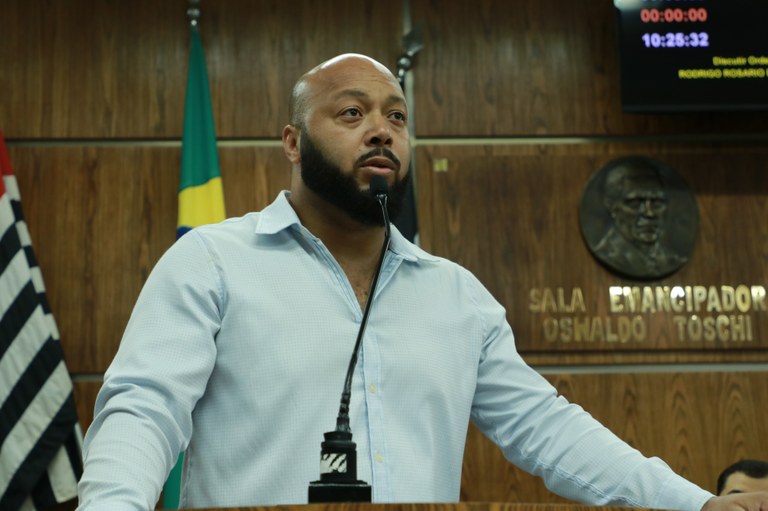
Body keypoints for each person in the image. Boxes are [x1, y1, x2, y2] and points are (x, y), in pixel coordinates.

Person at [75, 54, 768, 511]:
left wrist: (695, 503)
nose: (381, 131)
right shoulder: (212, 262)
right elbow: (144, 409)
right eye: (352, 113)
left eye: (396, 117)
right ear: (293, 142)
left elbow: (548, 430)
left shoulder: (455, 296)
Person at [592, 158, 687, 279]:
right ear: (611, 206)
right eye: (635, 204)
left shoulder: (672, 261)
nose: (649, 213)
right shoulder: (607, 257)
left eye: (657, 203)